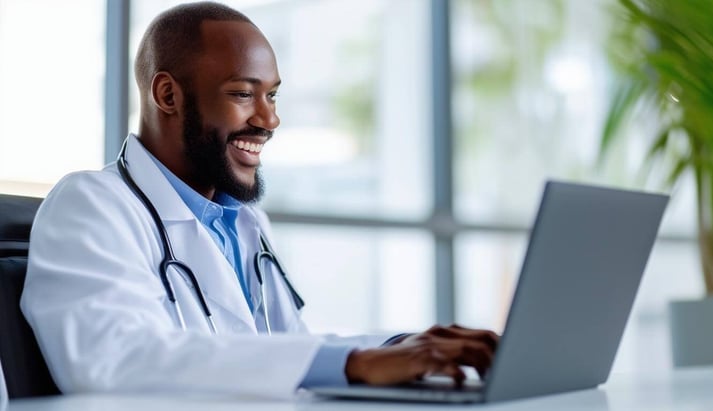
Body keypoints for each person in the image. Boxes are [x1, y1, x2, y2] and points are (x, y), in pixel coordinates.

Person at [21, 2, 498, 399]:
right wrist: (356, 362)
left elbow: (286, 351)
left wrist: (407, 347)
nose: (269, 120)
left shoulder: (245, 222)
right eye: (243, 93)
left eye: (272, 95)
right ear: (167, 94)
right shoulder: (91, 204)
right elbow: (114, 359)